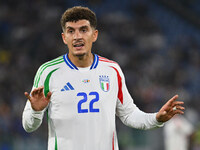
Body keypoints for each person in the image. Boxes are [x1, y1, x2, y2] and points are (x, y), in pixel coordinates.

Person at [22, 6, 185, 150]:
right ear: (64, 38)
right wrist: (36, 112)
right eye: (71, 31)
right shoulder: (48, 71)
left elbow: (129, 114)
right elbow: (28, 126)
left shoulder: (111, 70)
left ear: (94, 35)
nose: (77, 36)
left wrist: (156, 118)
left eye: (83, 30)